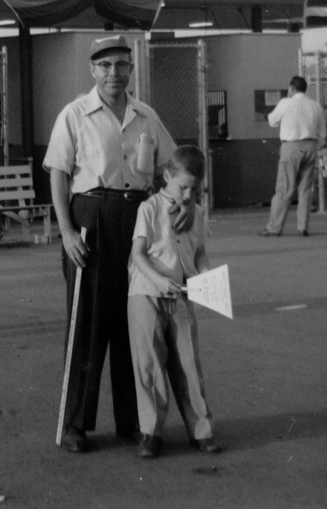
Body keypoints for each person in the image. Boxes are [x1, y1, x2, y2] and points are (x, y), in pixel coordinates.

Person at [43, 35, 182, 453]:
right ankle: (75, 425)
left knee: (135, 322)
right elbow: (58, 174)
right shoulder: (74, 114)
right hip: (91, 219)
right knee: (86, 325)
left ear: (131, 70)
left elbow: (170, 167)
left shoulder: (146, 115)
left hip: (136, 219)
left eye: (121, 65)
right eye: (105, 66)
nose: (113, 73)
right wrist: (67, 231)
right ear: (92, 70)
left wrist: (180, 205)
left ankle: (133, 420)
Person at [127, 145, 220, 458]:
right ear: (167, 176)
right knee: (150, 366)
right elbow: (138, 254)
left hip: (181, 295)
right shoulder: (149, 209)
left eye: (195, 189)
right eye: (183, 187)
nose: (188, 194)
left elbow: (199, 252)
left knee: (189, 365)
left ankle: (201, 430)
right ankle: (150, 433)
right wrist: (157, 279)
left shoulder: (198, 214)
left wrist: (205, 276)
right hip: (147, 294)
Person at [260, 76, 327, 238]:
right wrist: (314, 145)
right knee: (305, 189)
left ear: (291, 88)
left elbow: (272, 121)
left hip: (291, 147)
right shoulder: (315, 105)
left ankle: (274, 227)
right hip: (310, 146)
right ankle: (302, 227)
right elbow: (322, 134)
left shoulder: (285, 103)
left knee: (284, 188)